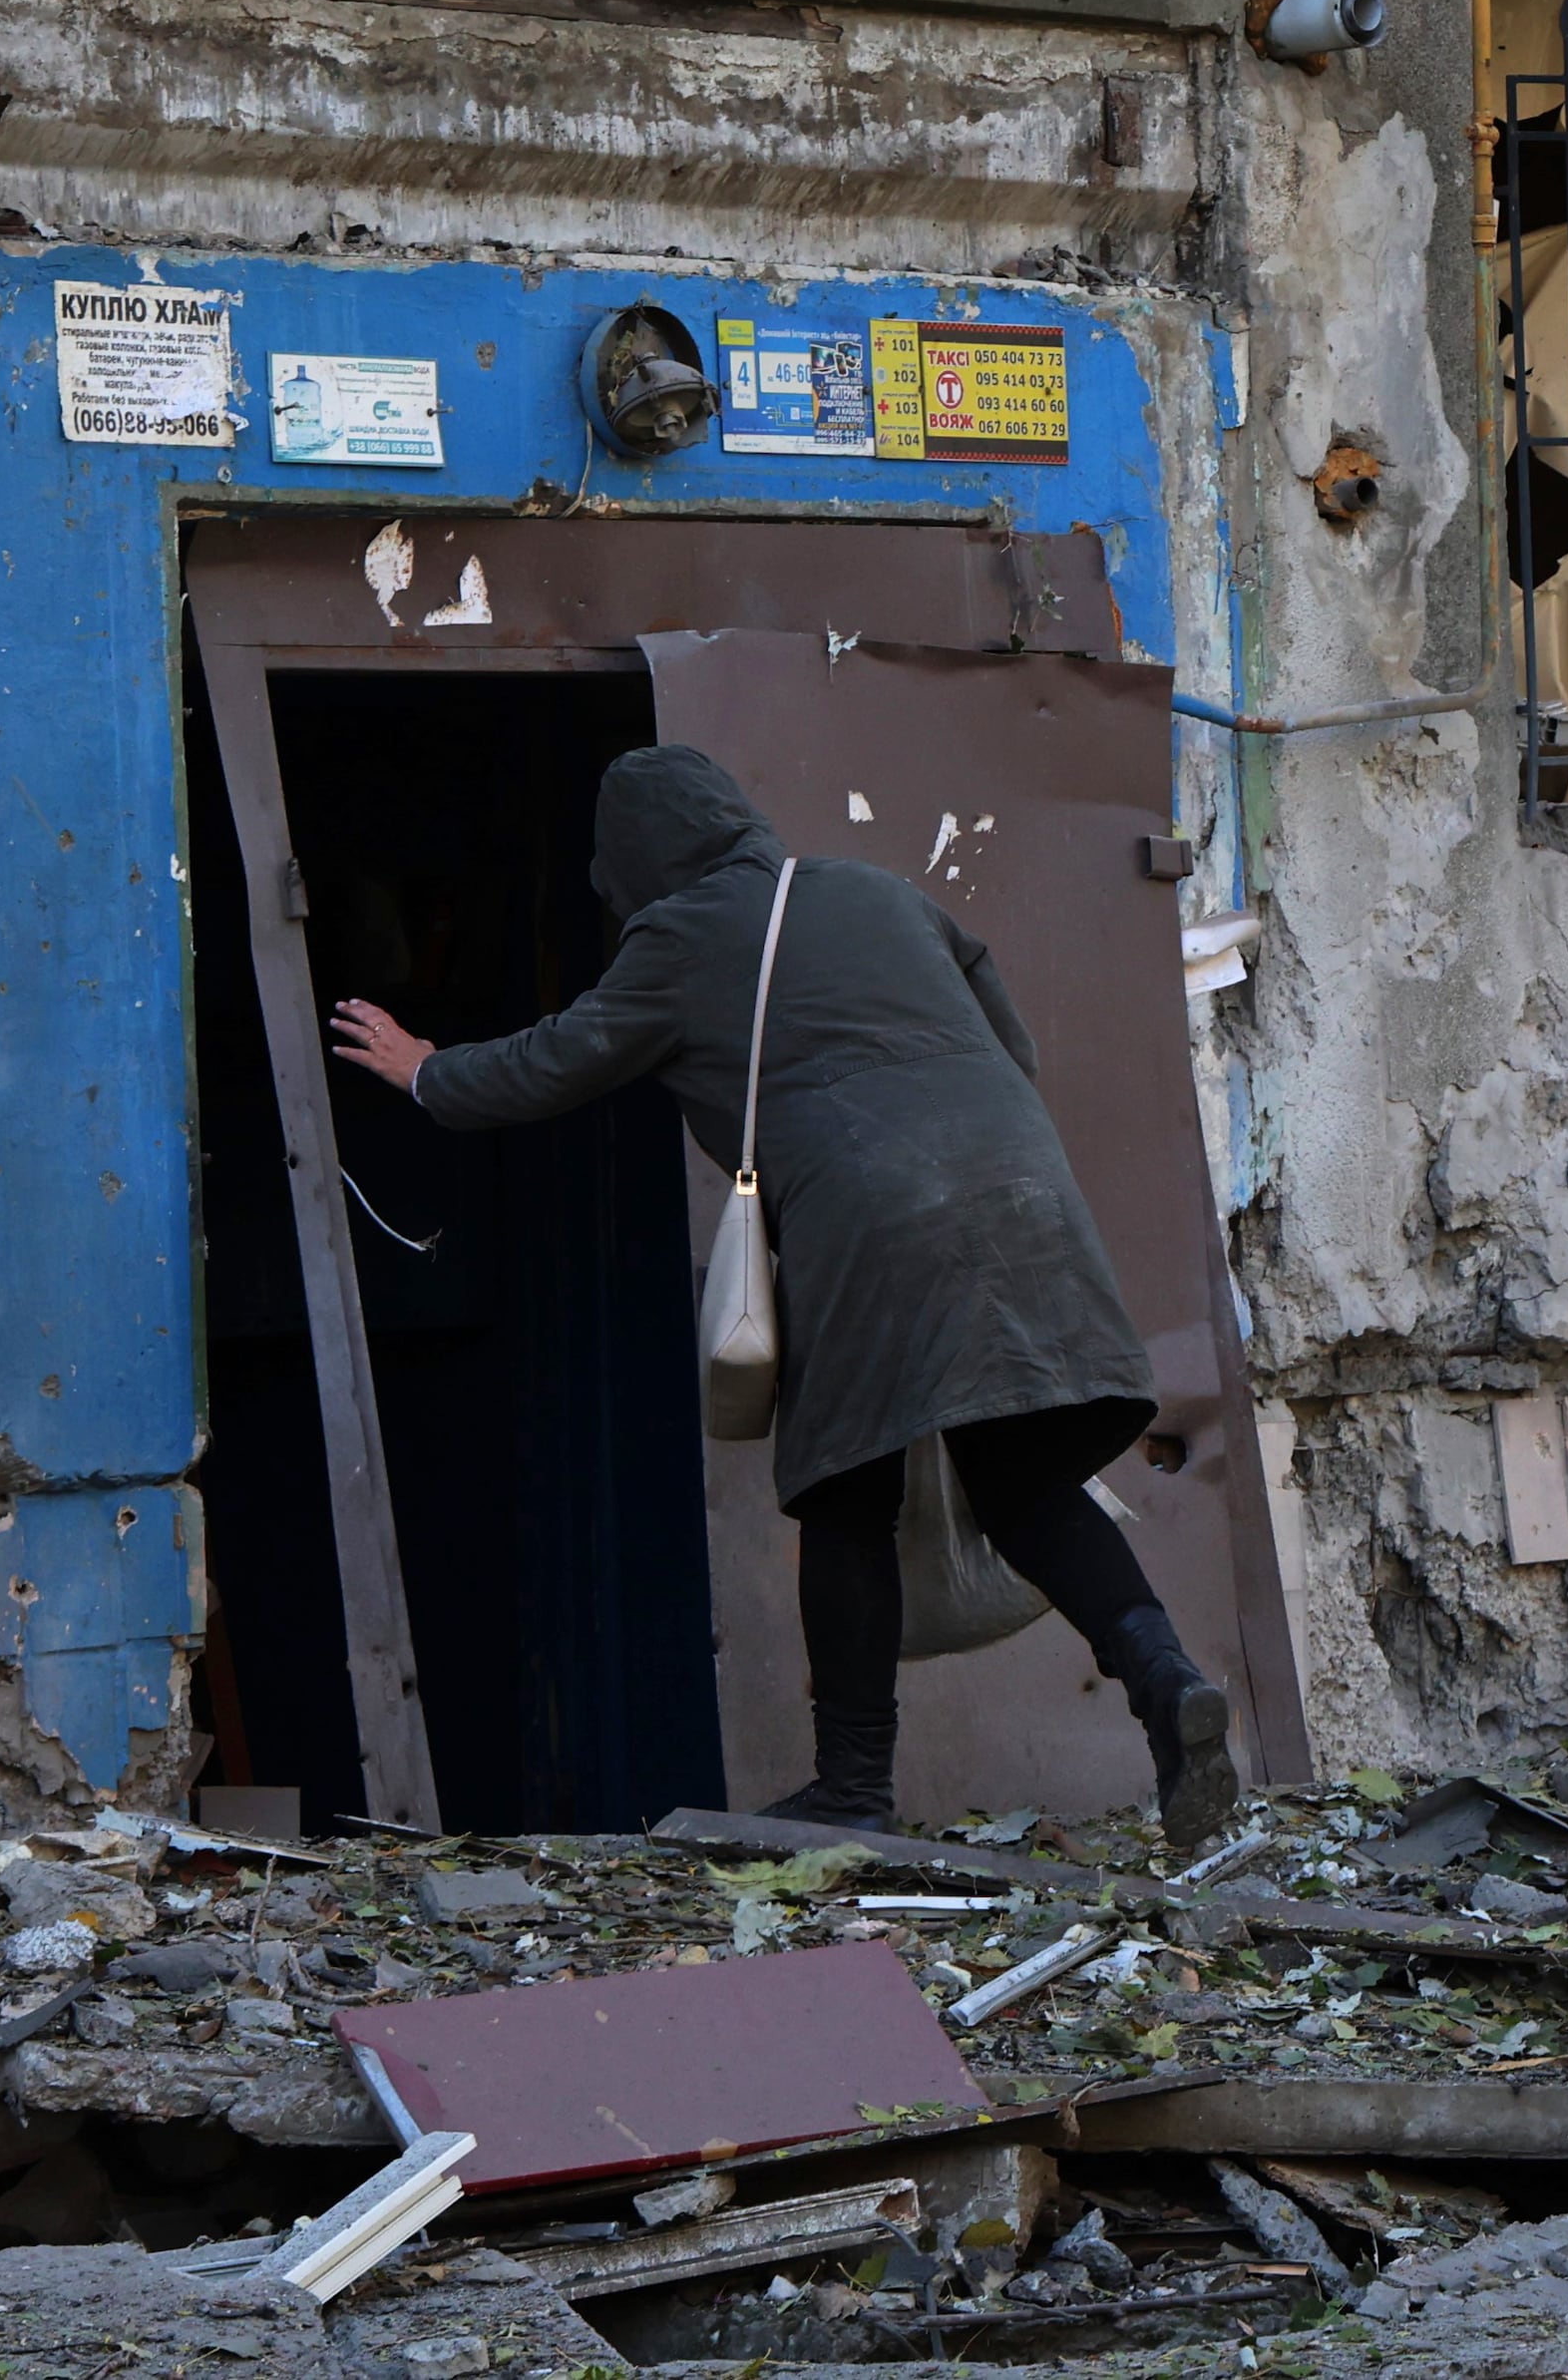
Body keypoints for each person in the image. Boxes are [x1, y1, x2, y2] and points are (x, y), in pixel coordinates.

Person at [327, 741, 1241, 1847]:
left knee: (844, 1488)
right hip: (1023, 1193)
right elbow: (1012, 1042)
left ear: (632, 861)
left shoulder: (678, 935)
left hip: (868, 1221)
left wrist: (426, 1066)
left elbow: (555, 1059)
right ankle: (1167, 1686)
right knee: (1026, 1479)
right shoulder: (877, 891)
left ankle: (852, 1783)